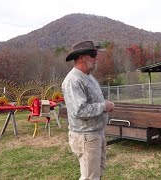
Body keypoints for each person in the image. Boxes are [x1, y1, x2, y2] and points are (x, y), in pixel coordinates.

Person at [62, 40, 115, 180]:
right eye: (93, 54)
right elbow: (79, 110)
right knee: (90, 177)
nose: (96, 58)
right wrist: (104, 106)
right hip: (85, 137)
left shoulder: (88, 77)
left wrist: (105, 105)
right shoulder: (73, 80)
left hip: (96, 133)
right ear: (81, 57)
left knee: (96, 173)